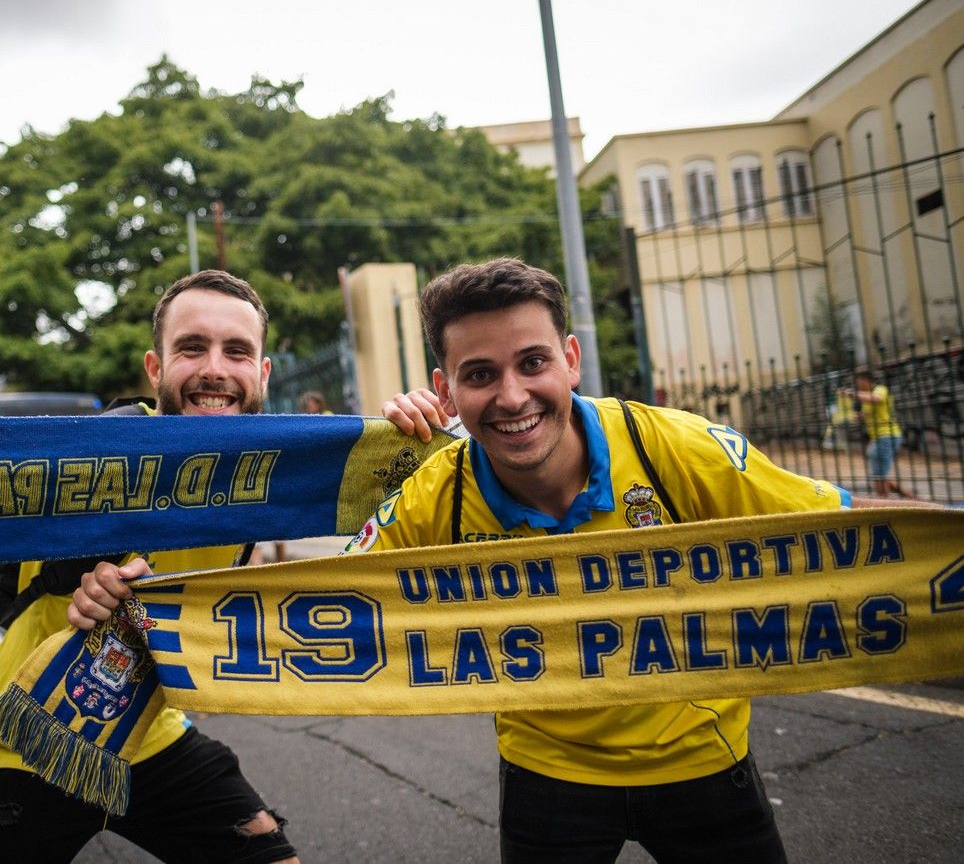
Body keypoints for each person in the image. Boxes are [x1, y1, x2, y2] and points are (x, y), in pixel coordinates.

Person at [366, 258, 927, 862]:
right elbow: (319, 596)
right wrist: (368, 452)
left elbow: (847, 524)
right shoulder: (434, 490)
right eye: (479, 374)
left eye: (533, 362)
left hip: (705, 762)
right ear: (445, 390)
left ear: (571, 360)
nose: (512, 396)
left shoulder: (674, 447)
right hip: (546, 776)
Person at [0, 271, 301, 864]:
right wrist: (82, 578)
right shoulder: (91, 453)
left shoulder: (265, 469)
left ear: (261, 374)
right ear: (155, 370)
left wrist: (408, 426)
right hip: (32, 732)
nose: (215, 368)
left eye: (237, 351)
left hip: (147, 733)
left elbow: (392, 491)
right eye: (191, 348)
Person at [845, 369, 914, 498]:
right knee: (879, 474)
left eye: (857, 381)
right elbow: (869, 412)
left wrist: (853, 394)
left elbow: (877, 399)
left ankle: (884, 499)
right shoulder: (868, 395)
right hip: (878, 437)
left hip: (887, 435)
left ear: (864, 380)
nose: (857, 384)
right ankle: (909, 497)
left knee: (879, 475)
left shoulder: (880, 389)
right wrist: (858, 416)